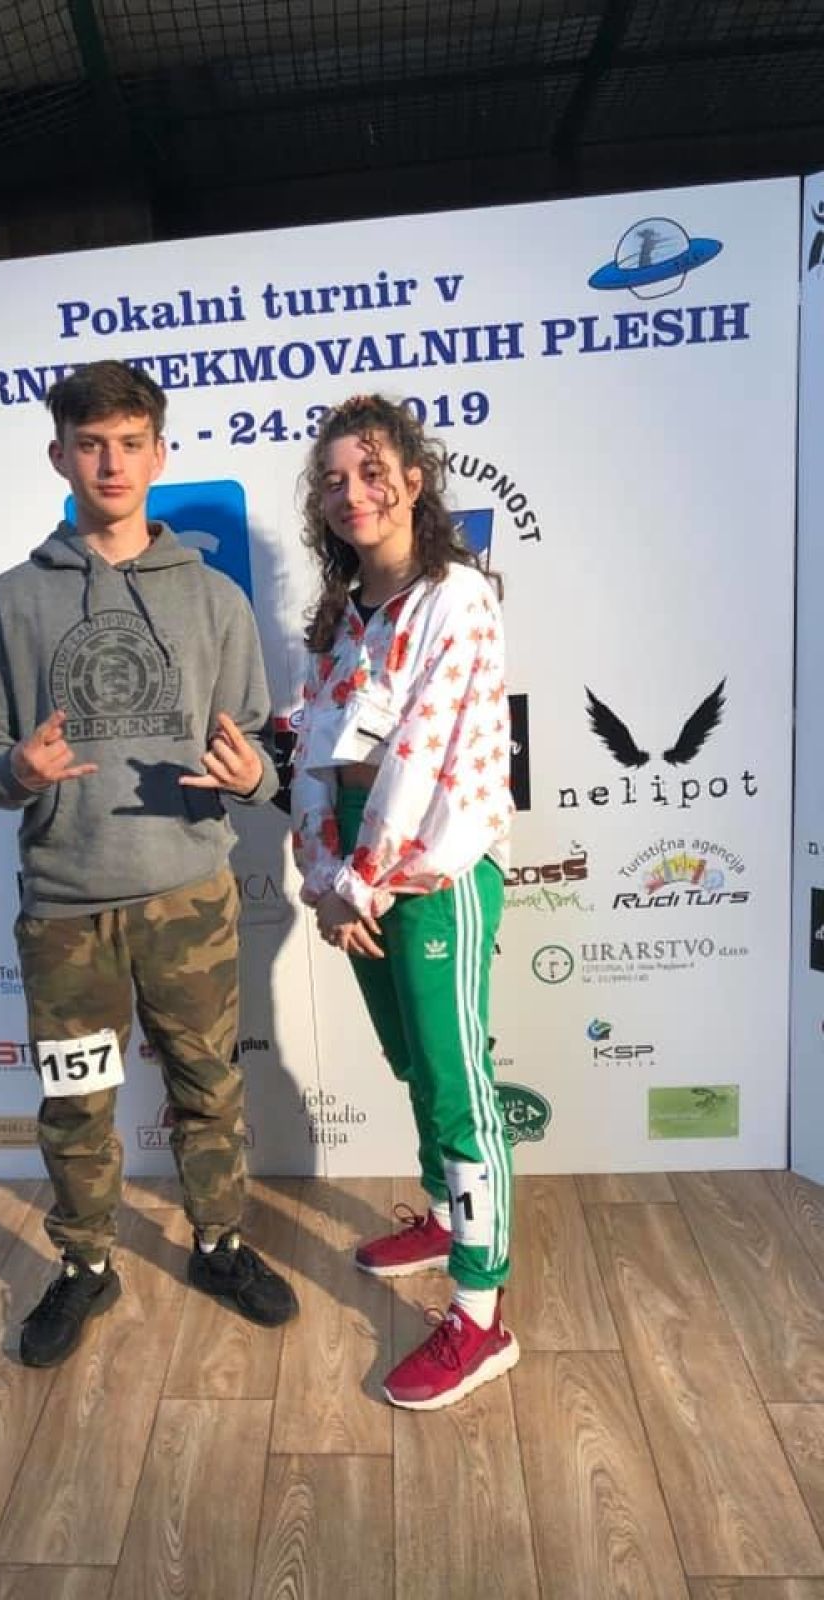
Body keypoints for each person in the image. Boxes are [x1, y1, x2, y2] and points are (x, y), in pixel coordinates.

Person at [0, 360, 298, 1367]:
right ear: (59, 455)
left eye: (130, 443)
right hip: (66, 911)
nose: (111, 462)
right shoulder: (9, 602)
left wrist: (252, 775)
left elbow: (261, 747)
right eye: (91, 444)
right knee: (77, 1103)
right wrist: (17, 770)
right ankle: (86, 1263)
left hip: (189, 897)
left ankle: (220, 1243)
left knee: (209, 1089)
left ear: (159, 453)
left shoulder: (215, 598)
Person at [290, 393, 516, 1410]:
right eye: (334, 480)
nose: (353, 494)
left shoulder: (455, 597)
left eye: (373, 473)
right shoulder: (341, 616)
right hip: (356, 876)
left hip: (430, 874)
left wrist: (360, 881)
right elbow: (314, 750)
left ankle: (480, 1315)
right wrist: (322, 875)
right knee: (412, 1065)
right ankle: (439, 1214)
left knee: (458, 1085)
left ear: (414, 482)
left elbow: (424, 756)